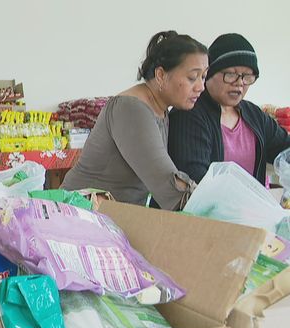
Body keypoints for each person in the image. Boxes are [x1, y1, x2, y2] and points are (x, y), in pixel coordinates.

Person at [61, 31, 208, 210]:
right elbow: (167, 183)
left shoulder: (161, 110)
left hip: (115, 218)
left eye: (204, 76)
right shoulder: (131, 109)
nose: (201, 87)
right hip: (81, 215)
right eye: (192, 77)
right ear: (161, 75)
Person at [168, 33, 290, 186]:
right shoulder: (189, 113)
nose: (239, 83)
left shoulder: (254, 115)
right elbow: (195, 180)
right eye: (230, 74)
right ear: (209, 74)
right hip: (206, 208)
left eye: (247, 76)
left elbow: (285, 149)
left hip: (250, 208)